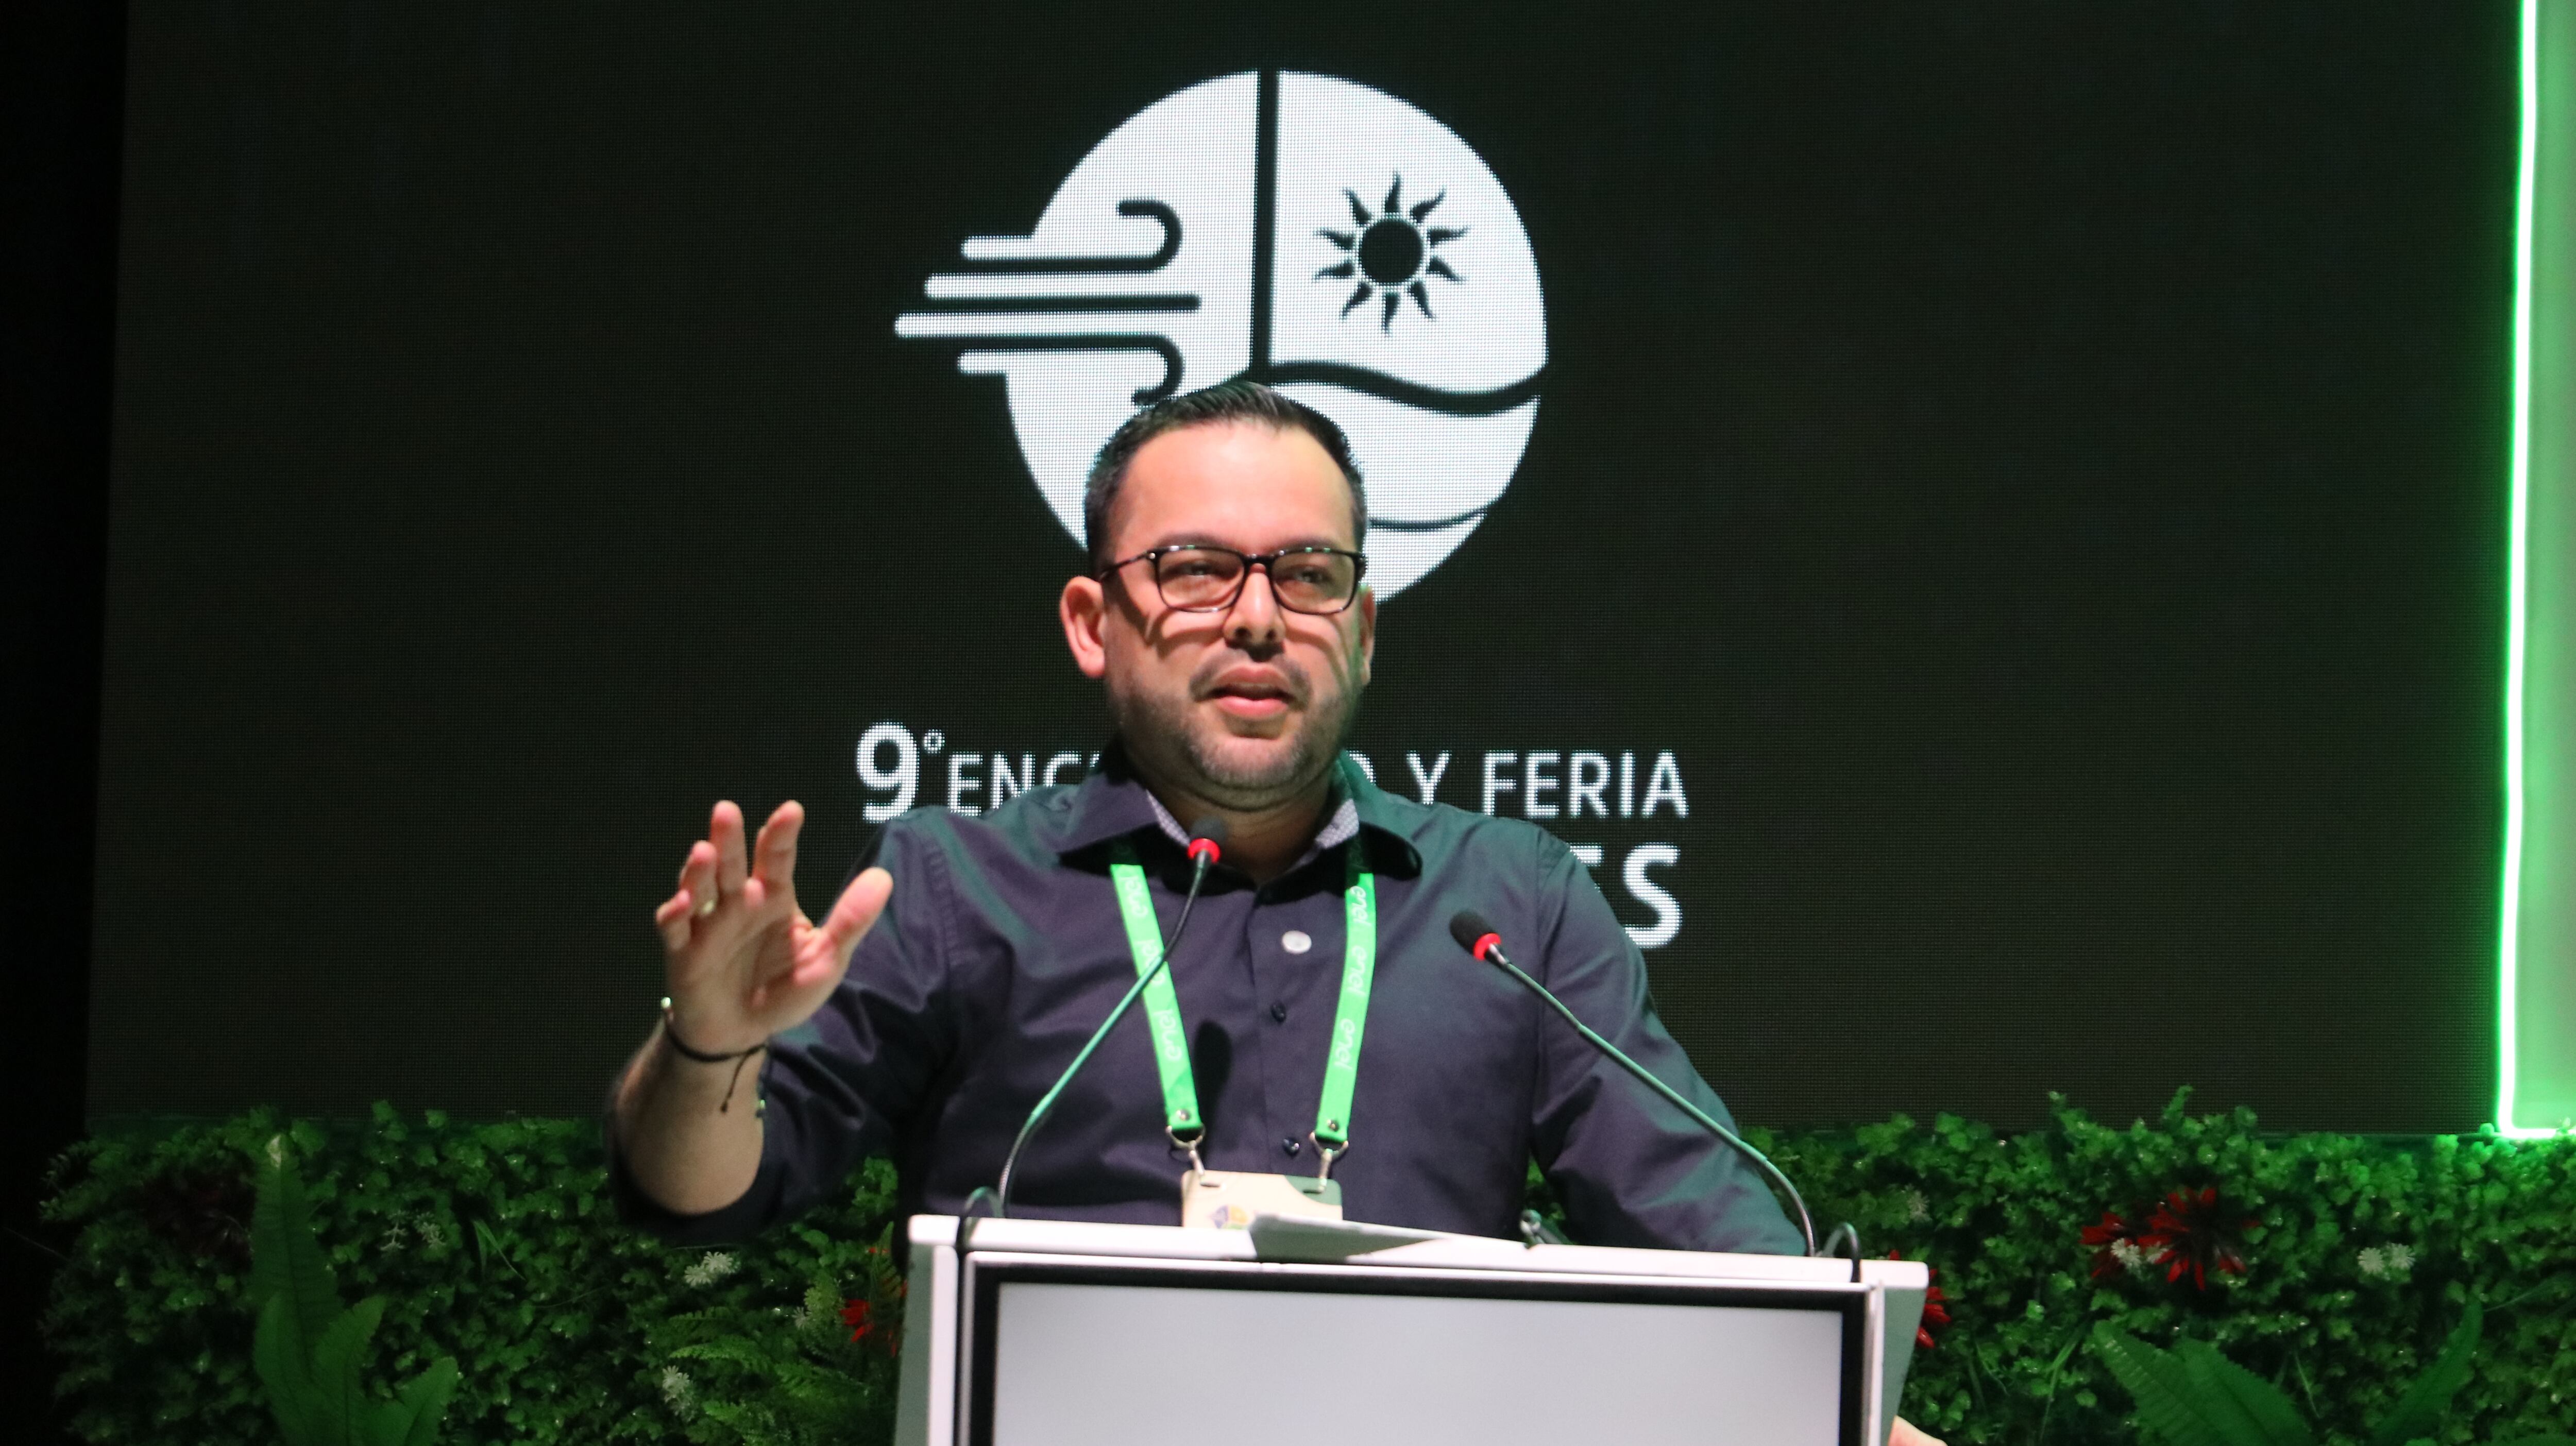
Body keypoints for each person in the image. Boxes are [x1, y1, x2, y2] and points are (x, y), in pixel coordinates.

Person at [607, 380, 1944, 1444]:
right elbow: (702, 1194)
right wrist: (710, 1046)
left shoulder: (1508, 901)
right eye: (1194, 569)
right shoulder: (958, 887)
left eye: (1307, 575)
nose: (1257, 619)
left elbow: (1702, 1225)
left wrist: (1853, 1417)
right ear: (1094, 619)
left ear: (1363, 628)